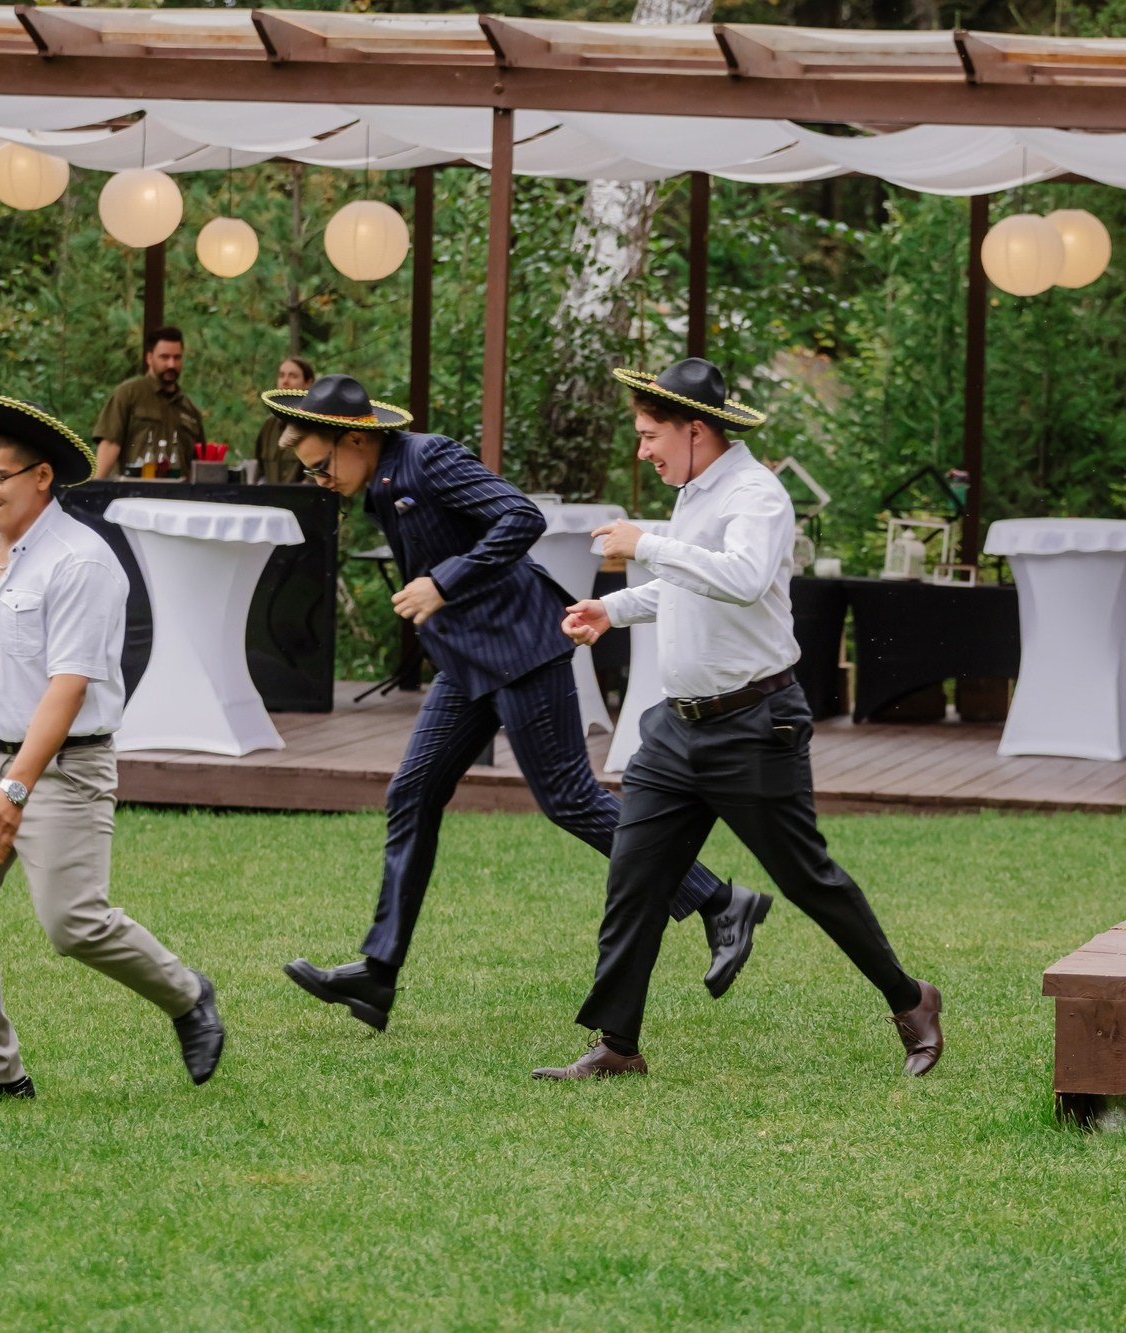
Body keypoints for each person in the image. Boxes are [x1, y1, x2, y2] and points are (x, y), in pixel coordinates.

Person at [267, 373, 771, 1033]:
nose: (321, 480)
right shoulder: (382, 485)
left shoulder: (431, 458)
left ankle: (720, 900)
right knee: (411, 794)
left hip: (523, 648)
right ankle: (378, 972)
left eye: (321, 466)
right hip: (467, 663)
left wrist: (441, 583)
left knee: (570, 799)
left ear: (354, 440)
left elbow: (520, 516)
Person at [536, 358, 942, 1081]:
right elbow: (687, 585)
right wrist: (614, 609)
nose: (643, 450)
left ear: (696, 430)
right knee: (634, 878)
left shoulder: (758, 494)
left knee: (807, 877)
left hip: (756, 724)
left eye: (649, 434)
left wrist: (647, 542)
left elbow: (743, 578)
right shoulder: (696, 488)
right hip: (677, 729)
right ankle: (617, 1045)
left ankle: (912, 1000)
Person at [0, 392, 226, 1102]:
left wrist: (18, 788)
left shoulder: (81, 562)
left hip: (63, 766)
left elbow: (66, 689)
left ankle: (187, 994)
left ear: (41, 478)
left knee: (71, 922)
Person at [92, 326, 203, 479]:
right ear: (149, 358)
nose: (171, 364)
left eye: (177, 357)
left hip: (179, 497)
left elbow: (199, 463)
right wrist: (93, 489)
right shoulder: (129, 394)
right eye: (164, 357)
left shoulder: (190, 409)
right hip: (134, 493)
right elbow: (110, 444)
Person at [254, 356, 314, 484]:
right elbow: (259, 470)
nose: (285, 381)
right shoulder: (269, 425)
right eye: (281, 376)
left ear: (308, 383)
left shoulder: (315, 425)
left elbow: (319, 474)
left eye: (293, 376)